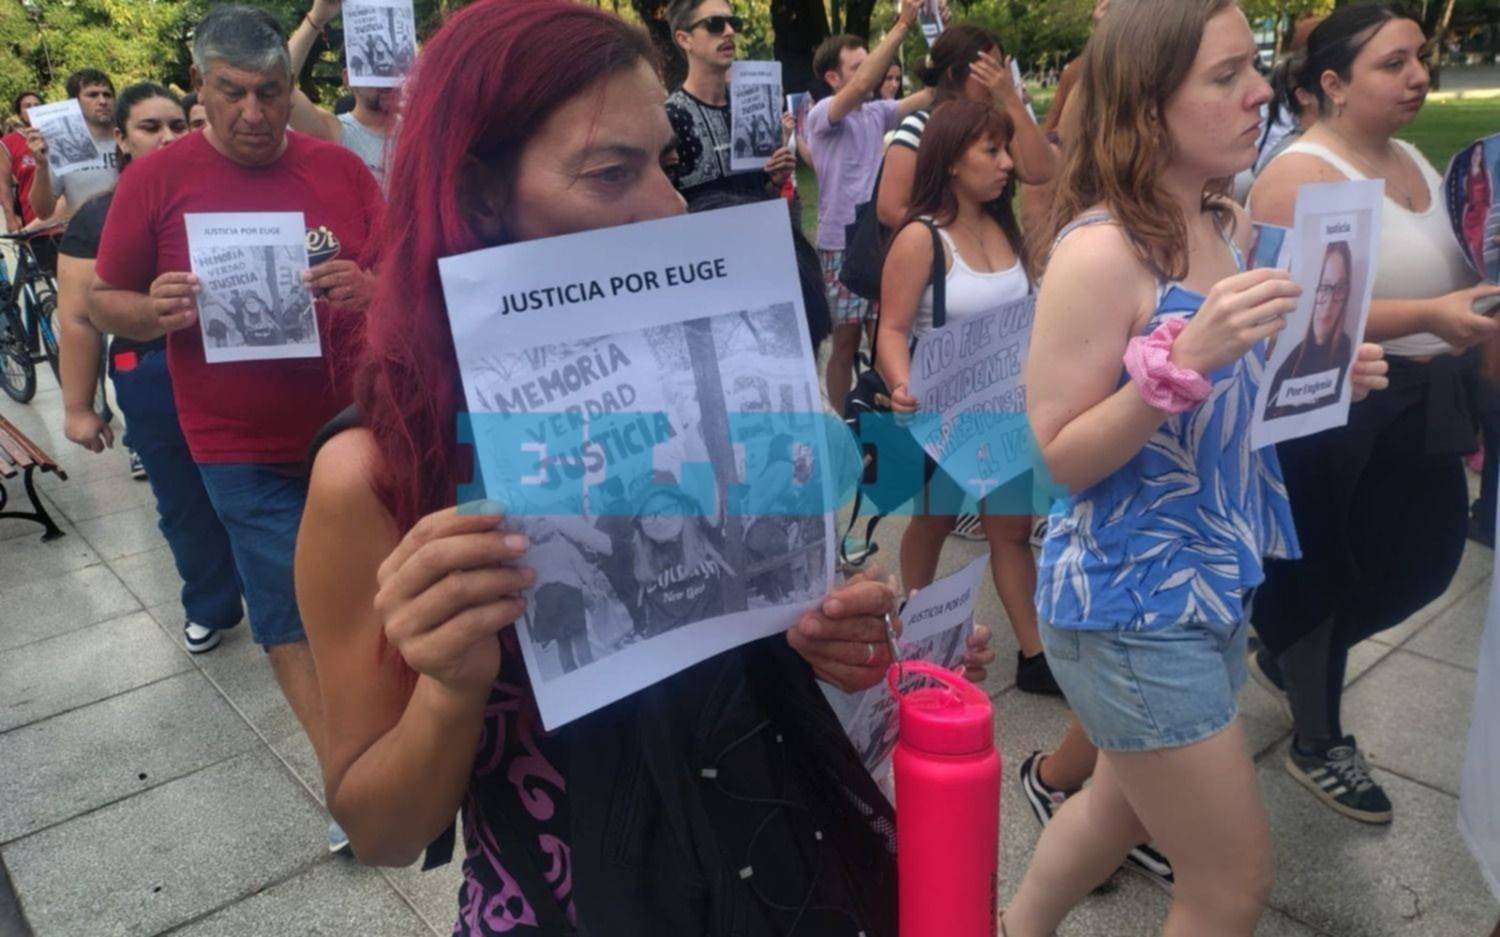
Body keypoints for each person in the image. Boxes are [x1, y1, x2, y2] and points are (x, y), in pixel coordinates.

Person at [293, 2, 987, 932]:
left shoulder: (730, 384)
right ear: (480, 195)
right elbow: (379, 827)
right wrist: (450, 687)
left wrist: (839, 639)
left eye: (664, 161)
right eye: (610, 173)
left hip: (785, 873)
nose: (669, 206)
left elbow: (797, 640)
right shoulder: (375, 471)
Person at [1002, 2, 1387, 933]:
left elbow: (1225, 411)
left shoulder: (1225, 220)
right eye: (1225, 76)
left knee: (1117, 806)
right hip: (1131, 604)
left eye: (1252, 66)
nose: (1260, 91)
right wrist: (1179, 368)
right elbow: (1055, 457)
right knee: (1231, 881)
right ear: (1146, 105)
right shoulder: (1099, 252)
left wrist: (1317, 375)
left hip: (1209, 583)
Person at [86, 4, 384, 854]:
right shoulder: (157, 181)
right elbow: (101, 300)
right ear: (200, 87)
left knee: (374, 600)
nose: (255, 112)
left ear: (292, 86)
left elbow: (409, 270)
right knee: (286, 610)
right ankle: (349, 783)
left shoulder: (339, 168)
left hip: (353, 430)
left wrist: (373, 288)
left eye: (271, 92)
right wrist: (149, 309)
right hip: (237, 444)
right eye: (232, 93)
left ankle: (393, 749)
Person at [1246, 4, 1500, 825]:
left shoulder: (1413, 159)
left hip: (1426, 397)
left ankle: (1286, 648)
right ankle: (1317, 736)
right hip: (1341, 405)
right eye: (1394, 64)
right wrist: (1431, 312)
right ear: (1333, 82)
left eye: (1420, 59)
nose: (1418, 76)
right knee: (1328, 569)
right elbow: (1293, 311)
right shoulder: (1300, 173)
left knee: (1427, 561)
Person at [873, 98, 1056, 692]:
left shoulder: (1005, 227)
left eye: (1006, 150)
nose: (1007, 163)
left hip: (1003, 414)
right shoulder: (920, 238)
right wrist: (902, 384)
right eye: (991, 150)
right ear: (952, 159)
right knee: (933, 521)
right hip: (942, 416)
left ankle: (1035, 655)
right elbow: (891, 330)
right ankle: (919, 630)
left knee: (1012, 530)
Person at [55, 82, 243, 655]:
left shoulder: (224, 194)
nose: (167, 137)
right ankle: (209, 604)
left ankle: (282, 601)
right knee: (184, 501)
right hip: (152, 374)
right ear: (121, 138)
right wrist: (78, 408)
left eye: (177, 125)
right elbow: (78, 318)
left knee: (258, 490)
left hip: (237, 371)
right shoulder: (98, 216)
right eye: (149, 127)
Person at [806, 1, 935, 410]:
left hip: (878, 238)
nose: (873, 71)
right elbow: (862, 86)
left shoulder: (878, 113)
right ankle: (843, 419)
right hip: (840, 243)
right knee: (845, 342)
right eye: (859, 65)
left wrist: (937, 32)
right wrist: (903, 23)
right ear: (833, 77)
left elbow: (932, 94)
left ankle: (878, 412)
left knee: (883, 337)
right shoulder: (824, 114)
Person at [876, 25, 1055, 233]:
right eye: (986, 70)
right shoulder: (920, 126)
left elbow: (1041, 171)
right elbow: (890, 209)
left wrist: (1011, 99)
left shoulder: (998, 125)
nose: (996, 80)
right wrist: (956, 240)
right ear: (953, 74)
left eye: (998, 69)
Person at [663, 0, 794, 202]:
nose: (730, 31)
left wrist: (776, 179)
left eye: (734, 23)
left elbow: (763, 192)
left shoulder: (751, 106)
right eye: (715, 24)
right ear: (684, 39)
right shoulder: (670, 119)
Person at [287, 0, 400, 184]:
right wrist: (316, 18)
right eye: (372, 67)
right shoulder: (337, 132)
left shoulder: (418, 130)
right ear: (348, 78)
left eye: (392, 67)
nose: (385, 79)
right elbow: (279, 88)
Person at [1262, 240, 1354, 420]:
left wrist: (1353, 392)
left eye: (1339, 288)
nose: (1329, 303)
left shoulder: (1344, 348)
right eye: (1324, 288)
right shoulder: (1292, 354)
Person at [25, 69, 121, 226]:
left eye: (107, 95)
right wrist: (41, 166)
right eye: (93, 95)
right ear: (74, 102)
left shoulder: (131, 140)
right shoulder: (62, 147)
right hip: (87, 238)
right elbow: (43, 212)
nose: (103, 101)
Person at [0, 90, 42, 233]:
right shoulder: (8, 142)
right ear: (19, 113)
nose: (33, 109)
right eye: (27, 106)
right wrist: (10, 218)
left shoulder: (56, 135)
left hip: (65, 218)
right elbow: (3, 184)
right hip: (31, 219)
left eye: (37, 105)